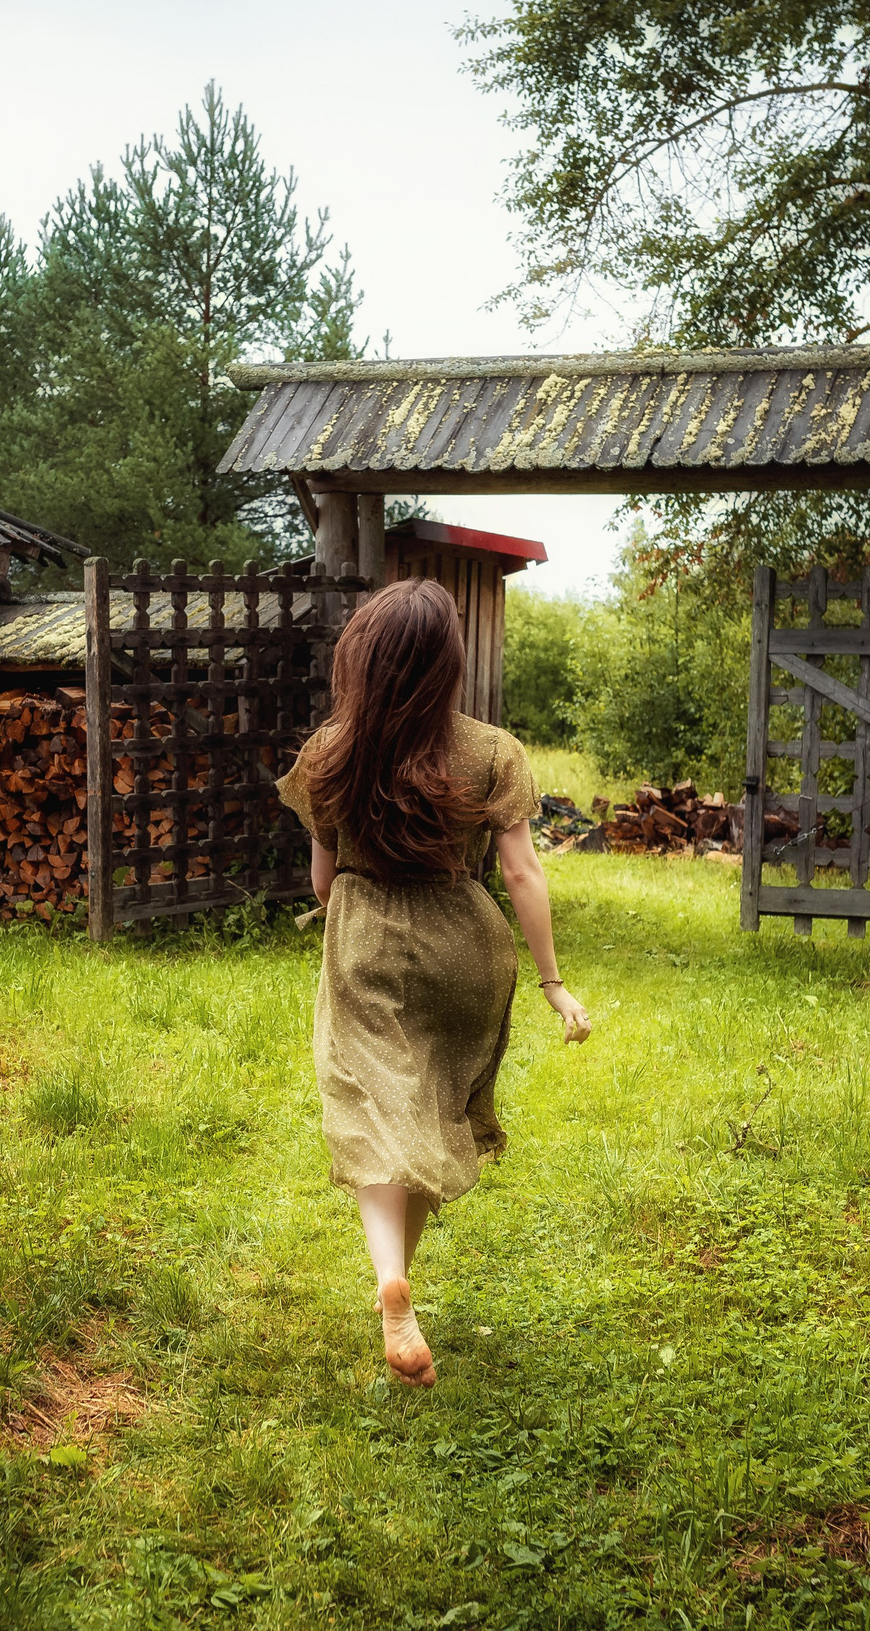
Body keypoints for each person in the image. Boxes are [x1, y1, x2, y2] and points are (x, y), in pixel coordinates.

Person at [276, 578, 592, 1387]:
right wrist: (554, 984)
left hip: (367, 945)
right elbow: (521, 874)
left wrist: (360, 891)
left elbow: (320, 883)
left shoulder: (328, 751)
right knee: (425, 1114)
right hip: (467, 950)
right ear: (446, 663)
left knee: (369, 1108)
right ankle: (398, 1294)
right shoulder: (494, 751)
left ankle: (390, 1281)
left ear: (364, 659)